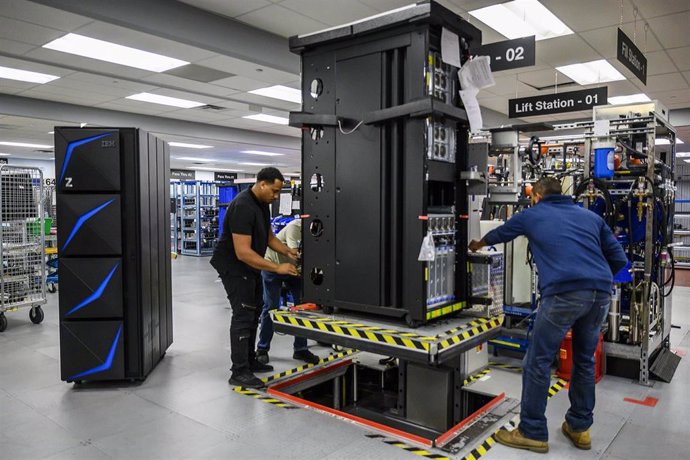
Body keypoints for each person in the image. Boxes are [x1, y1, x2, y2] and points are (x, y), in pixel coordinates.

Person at [469, 177, 627, 454]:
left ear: (538, 196)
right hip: (601, 293)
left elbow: (501, 233)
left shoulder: (533, 214)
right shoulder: (589, 217)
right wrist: (595, 280)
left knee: (538, 362)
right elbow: (619, 258)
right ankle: (580, 428)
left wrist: (476, 244)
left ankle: (531, 432)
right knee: (584, 361)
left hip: (563, 294)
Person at [211, 167, 299, 389]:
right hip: (234, 266)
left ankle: (250, 361)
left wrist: (287, 250)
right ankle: (239, 372)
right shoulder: (242, 206)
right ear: (262, 184)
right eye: (275, 191)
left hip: (249, 267)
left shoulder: (261, 204)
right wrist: (277, 268)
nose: (276, 196)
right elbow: (243, 252)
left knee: (254, 311)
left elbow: (269, 236)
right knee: (243, 315)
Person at [256, 219, 320, 365]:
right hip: (273, 266)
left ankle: (300, 349)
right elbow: (295, 253)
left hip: (294, 270)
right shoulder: (295, 227)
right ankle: (262, 349)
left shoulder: (319, 232)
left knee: (302, 307)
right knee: (271, 307)